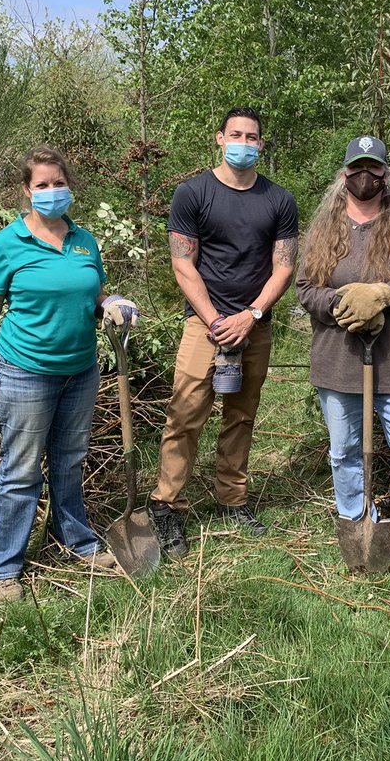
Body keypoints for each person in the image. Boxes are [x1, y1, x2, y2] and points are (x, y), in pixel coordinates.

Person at [0, 146, 140, 602]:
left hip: (80, 370)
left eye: (58, 183)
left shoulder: (85, 241)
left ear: (71, 187)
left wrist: (110, 304)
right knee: (21, 471)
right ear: (26, 192)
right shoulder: (7, 244)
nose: (51, 192)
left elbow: (94, 293)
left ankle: (77, 542)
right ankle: (4, 568)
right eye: (41, 185)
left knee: (69, 461)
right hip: (25, 372)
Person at [296, 136, 390, 571]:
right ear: (345, 174)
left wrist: (385, 293)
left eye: (374, 167)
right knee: (345, 452)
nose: (366, 175)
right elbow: (306, 289)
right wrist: (341, 306)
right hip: (338, 362)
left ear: (385, 174)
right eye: (357, 167)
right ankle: (356, 522)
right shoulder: (324, 230)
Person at [149, 107, 299, 558]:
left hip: (255, 326)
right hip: (204, 326)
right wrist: (216, 320)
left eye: (252, 137)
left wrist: (250, 315)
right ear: (219, 138)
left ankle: (232, 500)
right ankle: (165, 504)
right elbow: (183, 264)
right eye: (236, 134)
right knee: (185, 415)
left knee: (242, 415)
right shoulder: (193, 193)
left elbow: (284, 266)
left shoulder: (279, 200)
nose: (244, 143)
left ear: (261, 145)